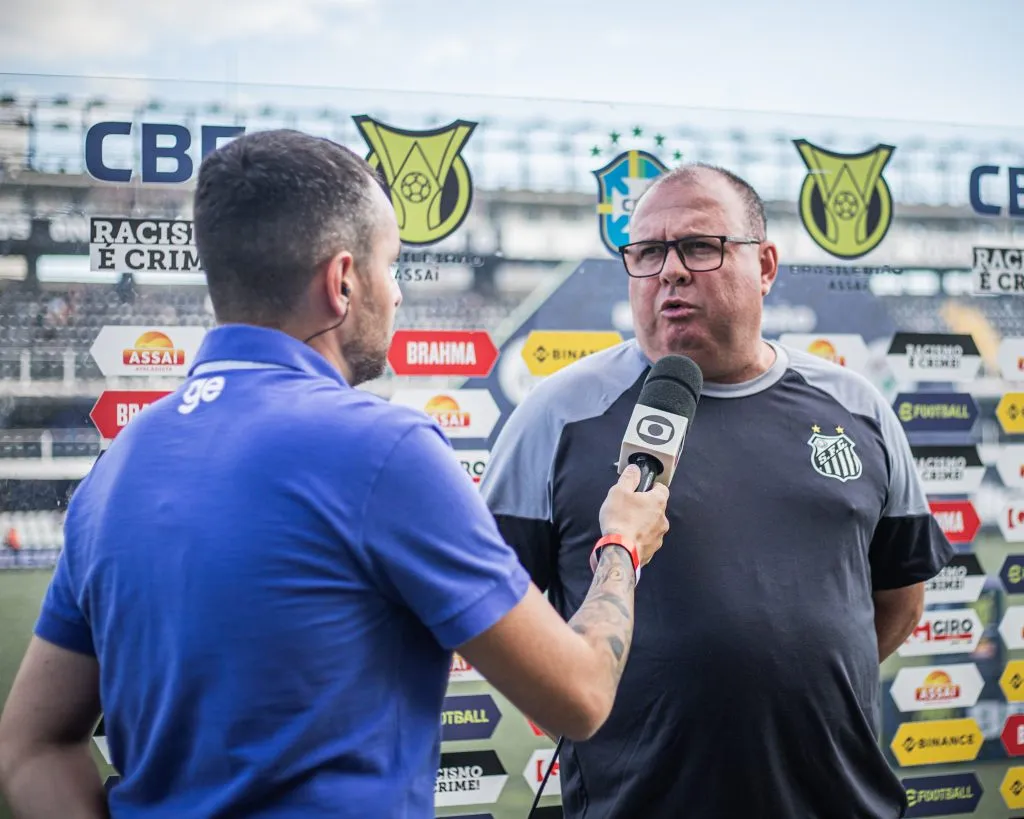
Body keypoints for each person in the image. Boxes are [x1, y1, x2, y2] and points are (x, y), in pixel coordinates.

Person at [0, 129, 672, 819]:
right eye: (393, 265)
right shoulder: (383, 450)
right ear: (342, 281)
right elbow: (580, 695)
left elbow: (32, 745)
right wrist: (621, 543)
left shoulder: (120, 463)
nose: (400, 294)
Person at [480, 163, 955, 819]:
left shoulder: (857, 406)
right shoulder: (557, 415)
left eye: (700, 246)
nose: (669, 270)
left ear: (764, 266)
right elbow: (492, 608)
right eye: (646, 251)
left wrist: (785, 680)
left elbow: (898, 597)